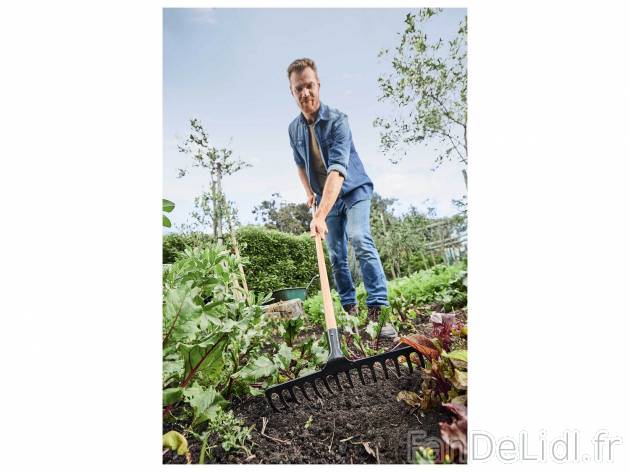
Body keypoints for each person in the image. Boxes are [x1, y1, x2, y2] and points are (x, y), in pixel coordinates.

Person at [286, 57, 396, 341]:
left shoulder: (338, 121)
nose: (305, 93)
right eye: (298, 88)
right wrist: (309, 192)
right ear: (292, 92)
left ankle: (379, 313)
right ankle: (348, 312)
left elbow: (337, 170)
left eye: (309, 86)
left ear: (318, 85)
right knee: (336, 255)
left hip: (353, 188)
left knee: (359, 237)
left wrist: (320, 215)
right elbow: (300, 163)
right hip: (324, 197)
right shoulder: (294, 129)